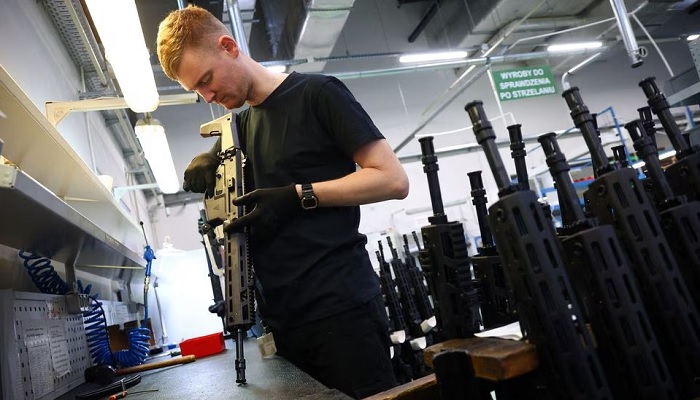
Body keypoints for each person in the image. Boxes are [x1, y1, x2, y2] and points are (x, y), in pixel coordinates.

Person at [157, 5, 409, 399]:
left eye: (206, 80)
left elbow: (392, 179)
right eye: (197, 91)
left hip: (341, 313)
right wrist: (214, 165)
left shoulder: (317, 94)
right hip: (281, 325)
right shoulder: (237, 132)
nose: (208, 96)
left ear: (228, 47)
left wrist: (298, 195)